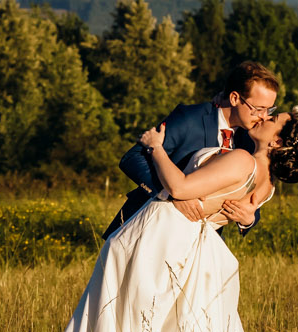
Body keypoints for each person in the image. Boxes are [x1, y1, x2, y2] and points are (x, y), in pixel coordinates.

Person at [23, 101, 298, 332]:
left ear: (276, 142)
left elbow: (178, 187)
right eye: (265, 109)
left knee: (114, 321)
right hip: (182, 242)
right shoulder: (268, 185)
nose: (265, 116)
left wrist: (155, 148)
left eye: (272, 118)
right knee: (130, 325)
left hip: (158, 233)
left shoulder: (242, 159)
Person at [103, 62, 284, 238]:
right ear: (235, 98)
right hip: (145, 227)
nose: (263, 117)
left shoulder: (250, 140)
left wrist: (249, 219)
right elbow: (132, 159)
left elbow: (251, 189)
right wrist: (171, 195)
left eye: (269, 110)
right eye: (259, 109)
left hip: (198, 244)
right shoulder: (191, 118)